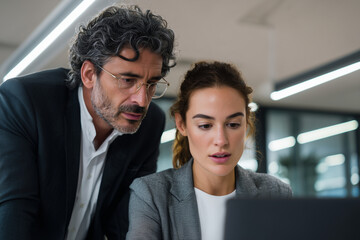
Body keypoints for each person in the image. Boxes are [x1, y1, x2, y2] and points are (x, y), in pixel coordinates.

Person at [0, 5, 175, 240]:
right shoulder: (26, 102)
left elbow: (128, 222)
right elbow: (14, 214)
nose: (142, 100)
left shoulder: (150, 123)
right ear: (89, 74)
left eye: (152, 83)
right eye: (127, 80)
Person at [126, 61, 292, 240]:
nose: (221, 140)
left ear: (247, 123)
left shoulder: (275, 193)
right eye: (205, 125)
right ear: (182, 125)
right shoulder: (150, 194)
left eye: (233, 124)